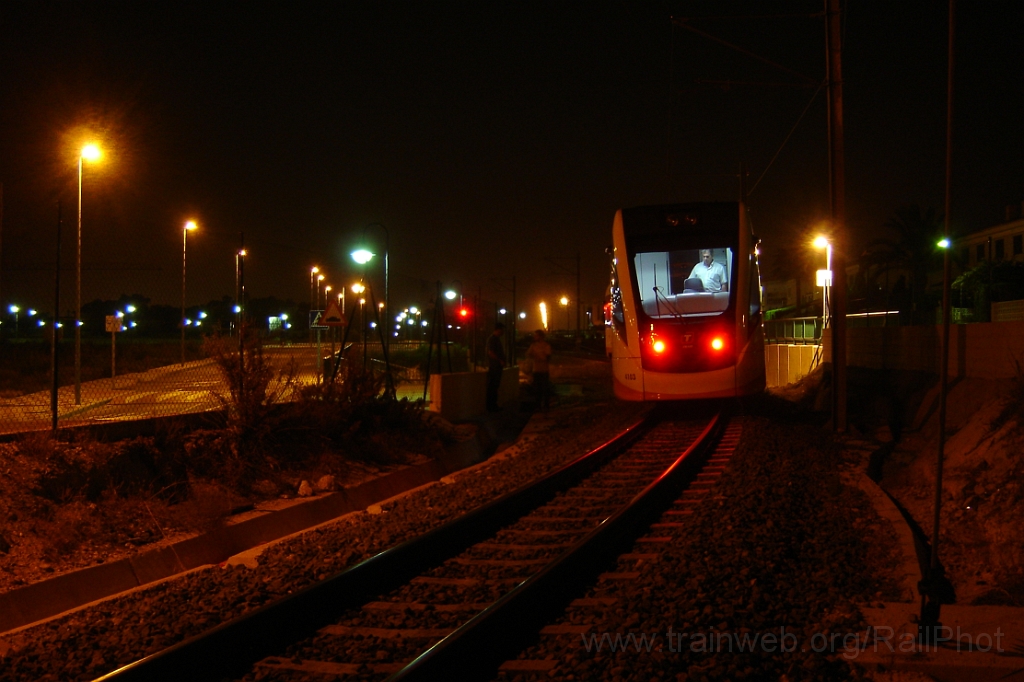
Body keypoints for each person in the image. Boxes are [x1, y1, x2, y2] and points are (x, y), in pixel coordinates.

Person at [526, 329, 553, 410]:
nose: (534, 337)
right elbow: (528, 354)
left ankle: (546, 405)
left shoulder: (546, 346)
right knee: (537, 389)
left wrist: (538, 356)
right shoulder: (533, 346)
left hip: (544, 370)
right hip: (536, 370)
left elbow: (547, 357)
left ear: (541, 337)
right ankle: (538, 405)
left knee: (545, 388)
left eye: (536, 335)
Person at [485, 322, 506, 412]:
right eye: (502, 330)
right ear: (499, 329)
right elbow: (491, 352)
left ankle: (493, 405)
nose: (503, 332)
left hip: (496, 367)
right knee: (493, 386)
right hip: (494, 367)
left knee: (494, 386)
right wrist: (499, 360)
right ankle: (491, 406)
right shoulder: (493, 339)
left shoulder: (496, 339)